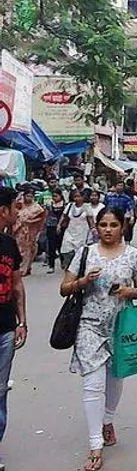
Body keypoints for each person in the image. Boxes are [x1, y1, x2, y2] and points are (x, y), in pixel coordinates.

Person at [60, 206, 137, 471]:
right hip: (89, 326)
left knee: (115, 378)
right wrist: (83, 281)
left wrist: (128, 292)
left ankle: (108, 418)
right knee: (92, 385)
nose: (108, 230)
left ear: (123, 227)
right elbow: (64, 288)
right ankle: (95, 445)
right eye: (103, 225)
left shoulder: (134, 255)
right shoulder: (85, 254)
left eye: (113, 225)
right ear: (96, 227)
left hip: (121, 327)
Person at [0, 186, 27, 470]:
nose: (17, 212)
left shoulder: (8, 244)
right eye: (14, 207)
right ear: (2, 211)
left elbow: (17, 284)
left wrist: (22, 321)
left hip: (5, 330)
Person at [12, 187, 46, 276]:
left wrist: (31, 222)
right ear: (24, 196)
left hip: (30, 233)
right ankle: (20, 267)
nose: (29, 198)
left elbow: (42, 218)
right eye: (27, 196)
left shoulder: (37, 207)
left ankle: (24, 269)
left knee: (28, 251)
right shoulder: (19, 205)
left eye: (31, 196)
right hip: (18, 231)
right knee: (18, 249)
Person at [59, 190, 94, 271]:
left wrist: (93, 229)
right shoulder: (70, 206)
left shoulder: (87, 207)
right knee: (66, 248)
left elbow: (90, 220)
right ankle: (68, 266)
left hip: (82, 232)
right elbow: (64, 216)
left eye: (79, 196)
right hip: (70, 230)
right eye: (75, 196)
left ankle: (78, 268)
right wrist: (59, 225)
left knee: (80, 252)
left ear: (83, 197)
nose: (77, 198)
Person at [44, 189, 66, 274]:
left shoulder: (65, 205)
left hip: (62, 227)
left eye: (56, 196)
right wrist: (44, 225)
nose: (55, 198)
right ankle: (51, 265)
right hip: (51, 226)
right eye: (53, 196)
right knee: (51, 247)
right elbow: (46, 215)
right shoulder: (49, 204)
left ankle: (63, 262)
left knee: (61, 245)